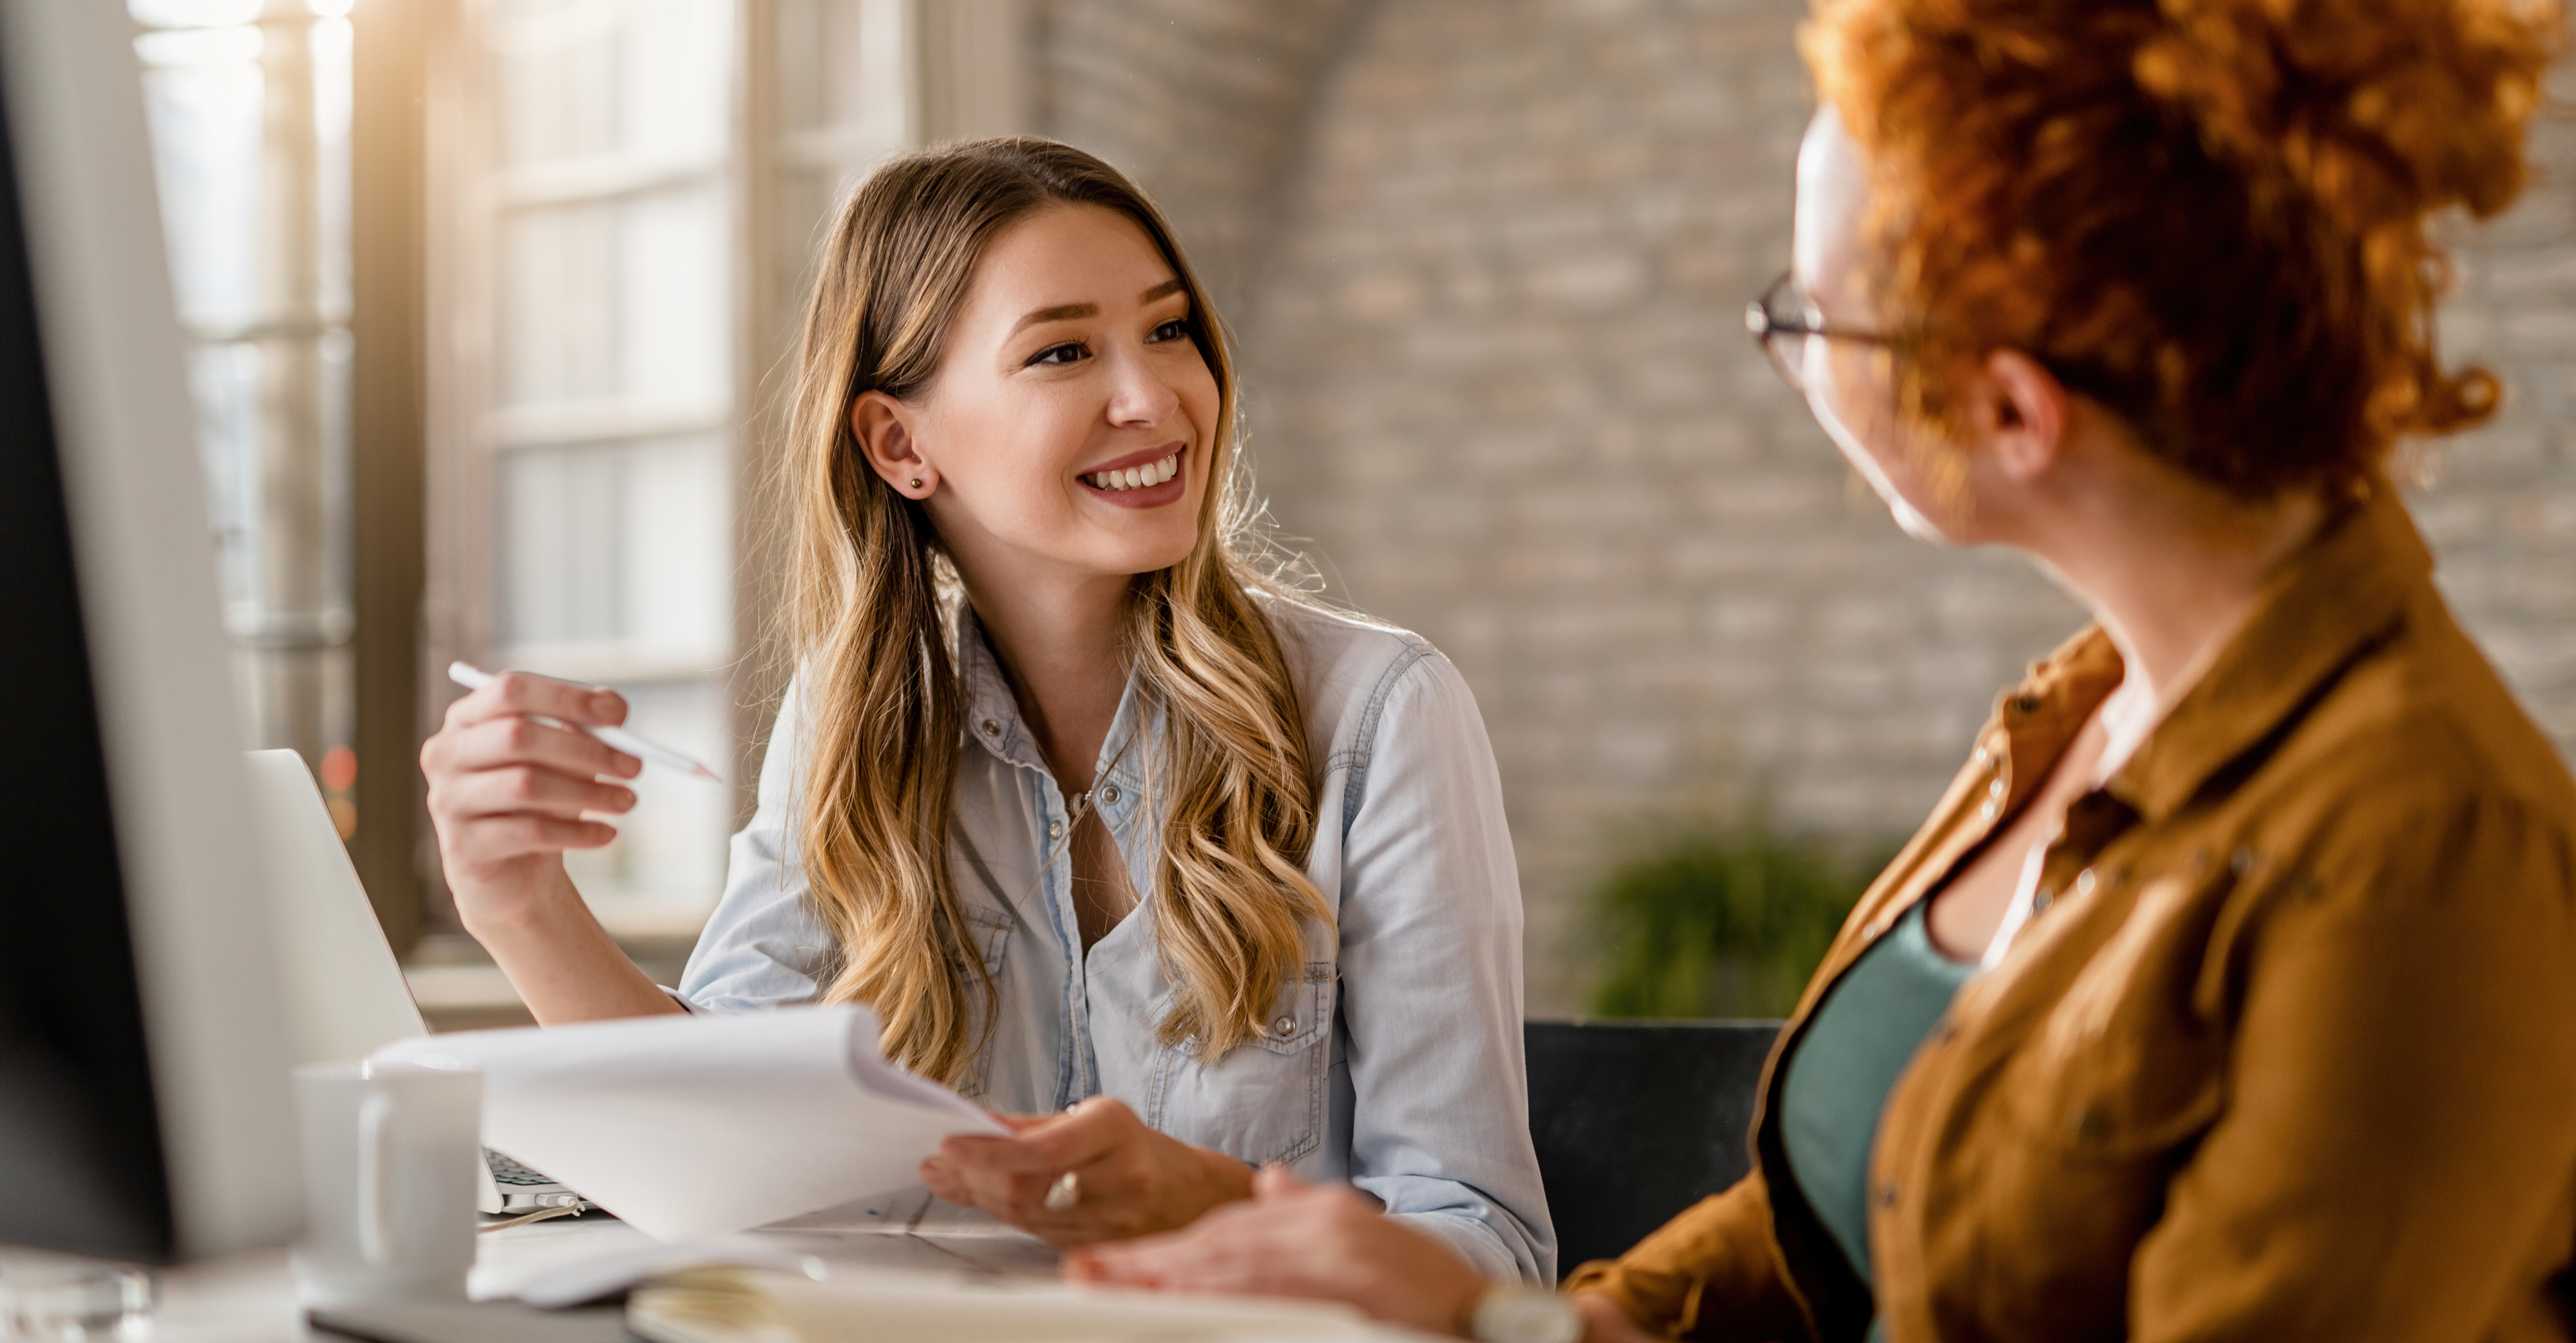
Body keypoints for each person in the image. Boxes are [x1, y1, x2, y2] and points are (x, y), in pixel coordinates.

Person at [1068, 0, 2576, 1338]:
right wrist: (1523, 1319)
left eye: (1806, 315)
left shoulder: (2421, 845)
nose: (1793, 359)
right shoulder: (2079, 717)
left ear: (2012, 413)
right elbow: (1845, 1219)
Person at [418, 136, 1554, 1281]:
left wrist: (1207, 1204)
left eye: (1170, 331)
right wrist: (522, 907)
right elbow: (711, 1146)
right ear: (900, 443)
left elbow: (1492, 1253)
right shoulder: (854, 725)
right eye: (1064, 351)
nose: (1155, 397)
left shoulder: (1378, 716)